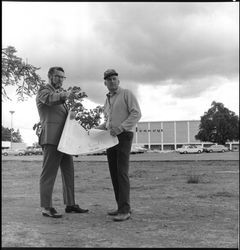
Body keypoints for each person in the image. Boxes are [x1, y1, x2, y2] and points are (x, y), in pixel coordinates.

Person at [36, 66, 89, 218]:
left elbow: (61, 113)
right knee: (48, 174)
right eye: (58, 76)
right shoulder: (44, 91)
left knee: (68, 172)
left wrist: (71, 115)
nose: (60, 79)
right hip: (52, 139)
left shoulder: (60, 93)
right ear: (50, 76)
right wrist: (67, 94)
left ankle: (70, 204)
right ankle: (46, 207)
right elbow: (50, 100)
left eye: (62, 77)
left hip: (65, 140)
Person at [97, 69, 141, 221]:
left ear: (119, 80)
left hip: (123, 136)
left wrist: (121, 127)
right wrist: (93, 130)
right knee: (114, 172)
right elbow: (108, 122)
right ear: (105, 83)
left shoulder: (127, 94)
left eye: (115, 79)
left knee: (121, 172)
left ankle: (125, 210)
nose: (112, 81)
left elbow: (136, 114)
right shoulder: (107, 101)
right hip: (111, 137)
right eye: (109, 80)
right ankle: (120, 206)